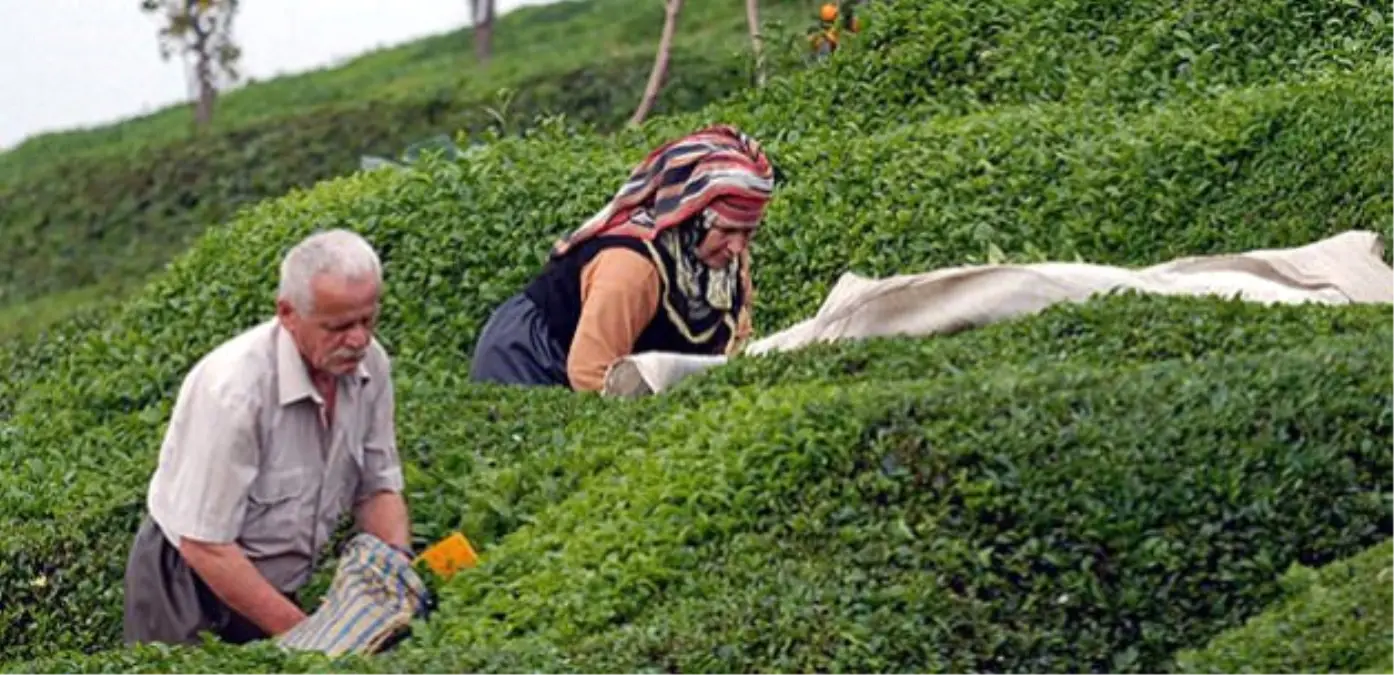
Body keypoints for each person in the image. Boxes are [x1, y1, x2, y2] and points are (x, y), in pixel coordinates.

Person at [123, 228, 413, 646]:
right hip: (188, 584)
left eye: (368, 319)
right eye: (339, 326)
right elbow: (205, 544)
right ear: (288, 314)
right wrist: (310, 637)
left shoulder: (372, 366)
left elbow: (377, 487)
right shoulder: (235, 391)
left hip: (272, 578)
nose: (358, 340)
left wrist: (394, 577)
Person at [468, 124, 777, 392]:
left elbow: (733, 347)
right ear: (691, 219)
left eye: (748, 233)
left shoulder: (723, 259)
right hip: (528, 358)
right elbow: (591, 374)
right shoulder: (632, 268)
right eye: (726, 230)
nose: (737, 247)